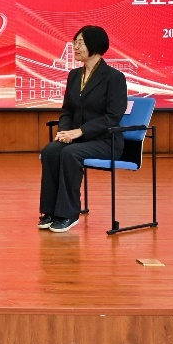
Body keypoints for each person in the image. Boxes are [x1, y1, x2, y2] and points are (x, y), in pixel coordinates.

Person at [39, 25, 128, 232]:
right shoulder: (74, 75)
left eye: (81, 42)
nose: (75, 47)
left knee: (70, 154)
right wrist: (64, 132)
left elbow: (113, 116)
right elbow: (67, 110)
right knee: (51, 150)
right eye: (75, 42)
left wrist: (81, 131)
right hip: (80, 139)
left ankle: (68, 214)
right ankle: (50, 211)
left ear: (95, 45)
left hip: (106, 141)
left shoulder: (114, 78)